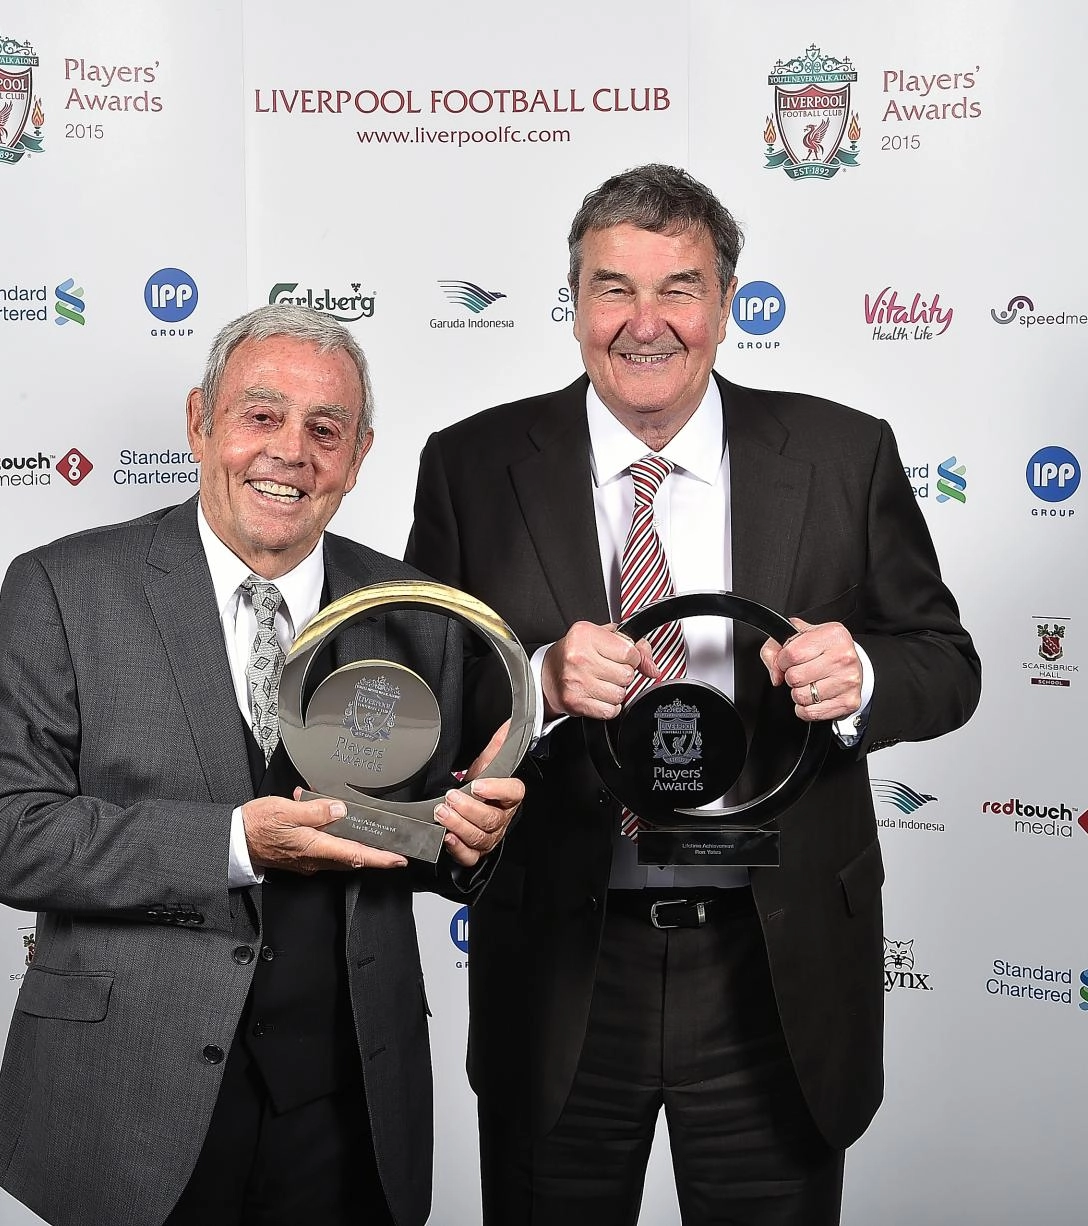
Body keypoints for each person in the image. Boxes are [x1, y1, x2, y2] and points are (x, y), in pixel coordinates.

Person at [405, 164, 980, 1225]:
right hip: (565, 959)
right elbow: (422, 703)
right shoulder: (473, 466)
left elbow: (945, 659)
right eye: (613, 287)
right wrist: (536, 681)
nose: (646, 321)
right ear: (573, 304)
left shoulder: (845, 454)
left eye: (680, 287)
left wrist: (861, 678)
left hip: (773, 962)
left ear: (726, 303)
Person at [0, 303, 524, 1226]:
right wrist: (232, 843)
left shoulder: (419, 614)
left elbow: (434, 839)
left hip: (347, 1114)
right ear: (200, 421)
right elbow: (0, 838)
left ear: (359, 454)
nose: (290, 453)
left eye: (324, 430)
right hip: (130, 1104)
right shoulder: (65, 588)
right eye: (261, 416)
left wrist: (470, 840)